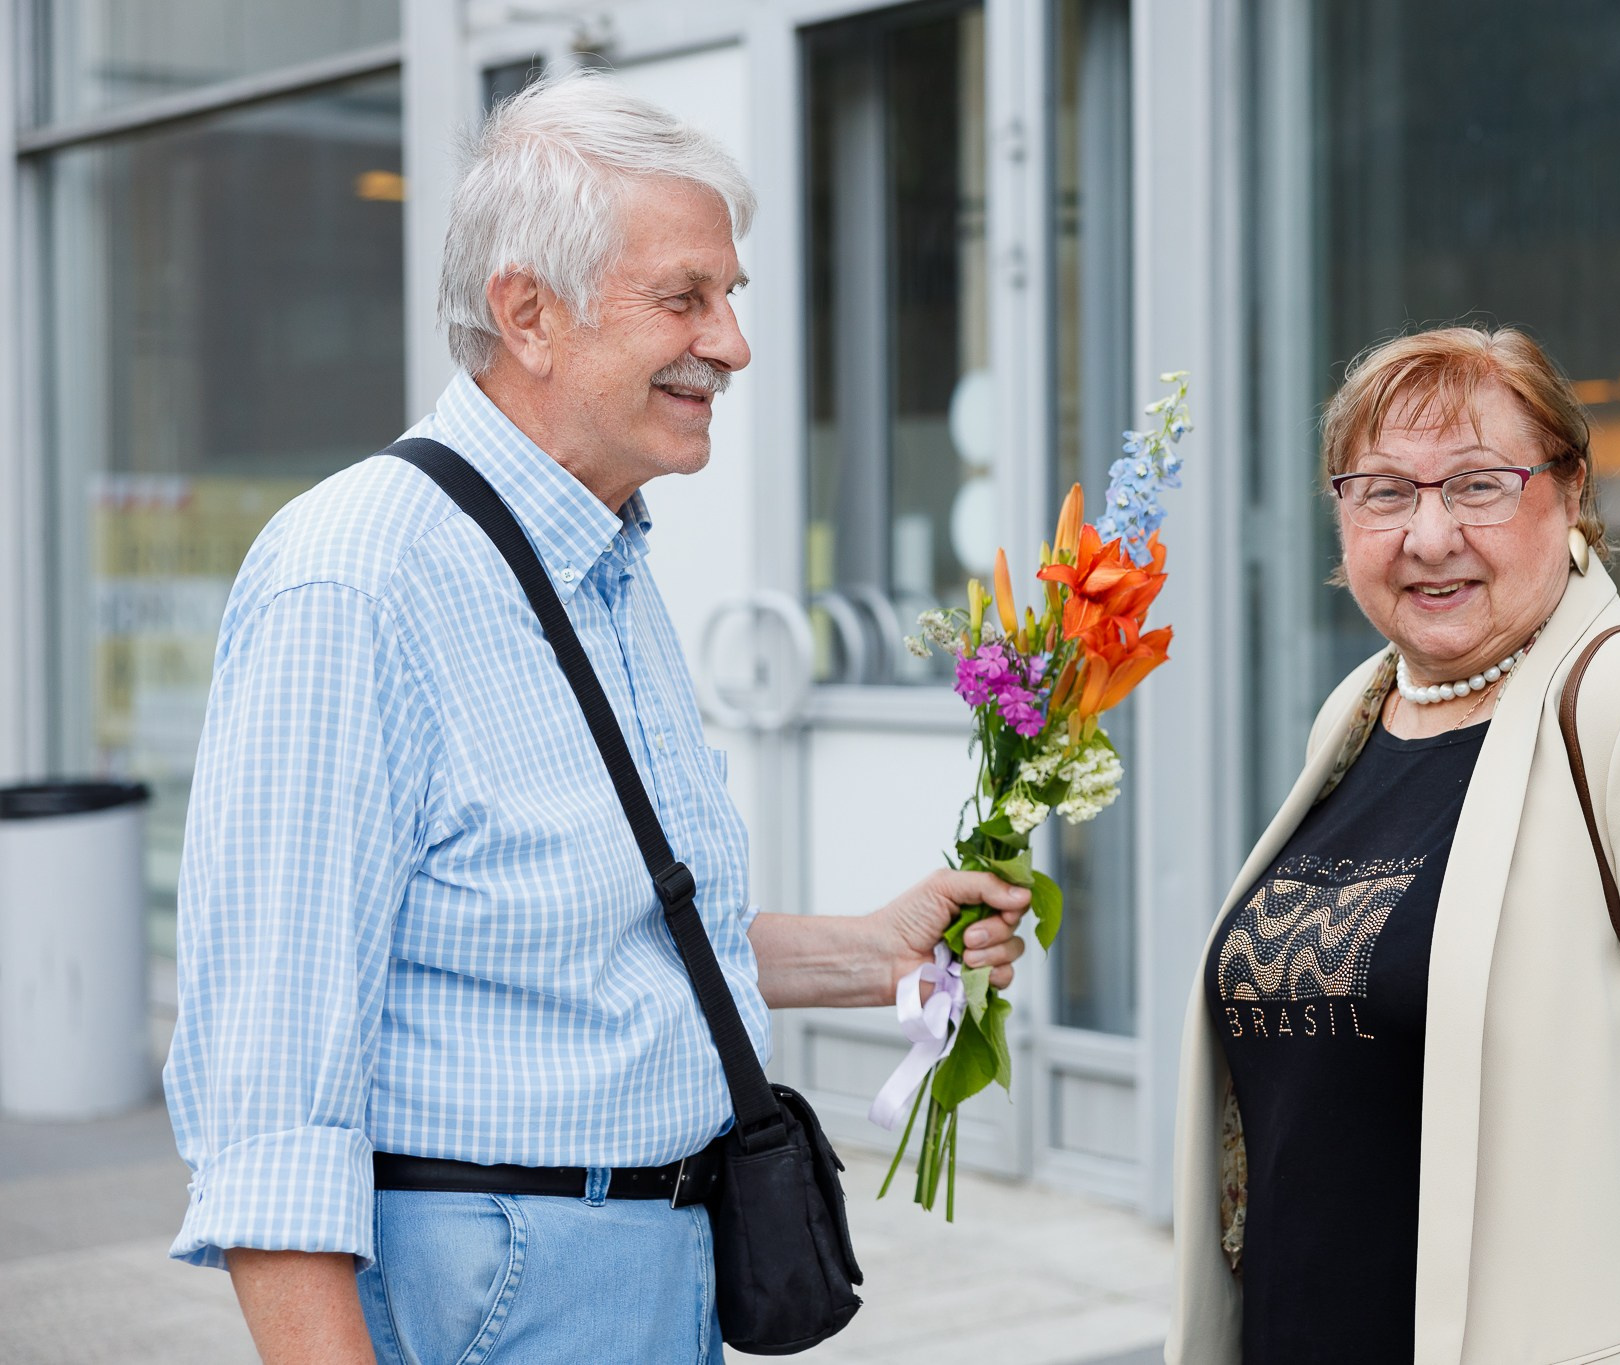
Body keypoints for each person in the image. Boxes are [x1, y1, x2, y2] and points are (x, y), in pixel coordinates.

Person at [164, 74, 1030, 1365]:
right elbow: (271, 1087)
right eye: (686, 297)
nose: (732, 342)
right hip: (500, 1288)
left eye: (730, 297)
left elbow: (589, 943)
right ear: (529, 313)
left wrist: (876, 952)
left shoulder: (604, 560)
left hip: (635, 1270)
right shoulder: (356, 578)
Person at [1167, 325, 1620, 1364]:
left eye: (1475, 486)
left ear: (1569, 489)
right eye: (1382, 490)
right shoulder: (1362, 710)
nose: (1427, 535)